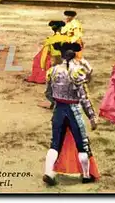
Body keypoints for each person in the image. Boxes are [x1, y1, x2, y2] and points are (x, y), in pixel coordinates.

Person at [42, 42, 100, 186]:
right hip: (73, 111)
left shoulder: (53, 70)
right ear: (74, 55)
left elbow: (48, 93)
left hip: (58, 110)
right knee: (82, 144)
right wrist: (92, 116)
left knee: (55, 143)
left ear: (61, 55)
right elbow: (84, 97)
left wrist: (56, 102)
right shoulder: (78, 71)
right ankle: (86, 175)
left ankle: (48, 172)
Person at [28, 21, 70, 85]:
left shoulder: (49, 40)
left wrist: (43, 68)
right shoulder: (66, 38)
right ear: (61, 28)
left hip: (54, 64)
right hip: (65, 63)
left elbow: (43, 56)